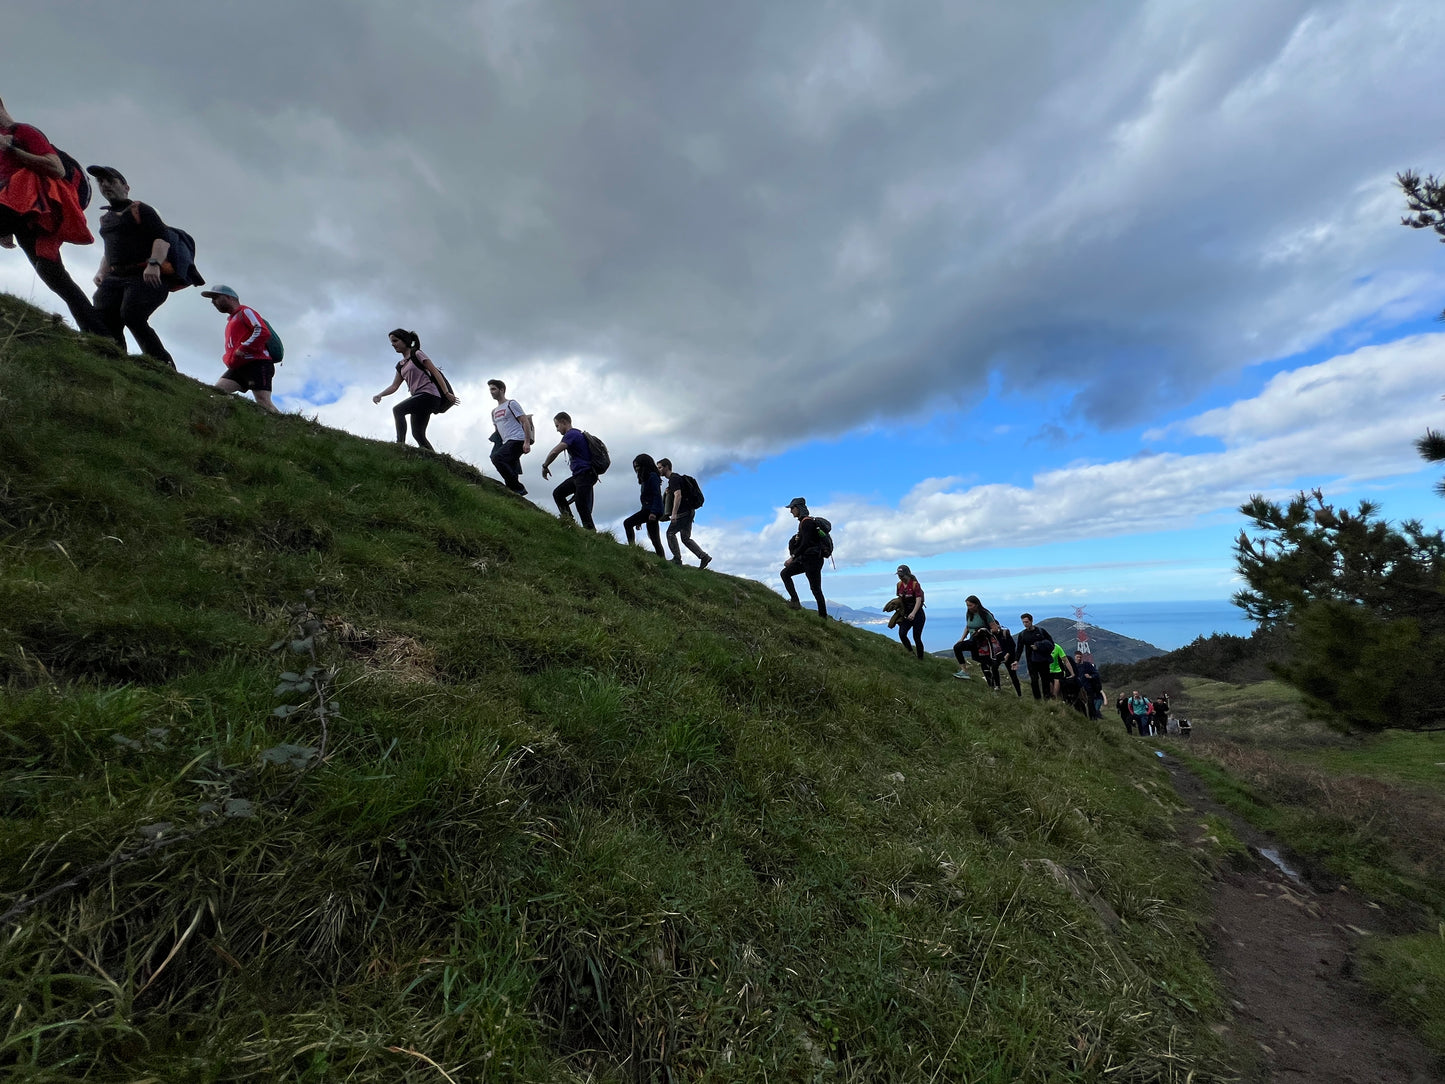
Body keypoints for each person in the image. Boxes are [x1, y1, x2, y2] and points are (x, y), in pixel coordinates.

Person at [0, 97, 102, 334]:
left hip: (30, 208)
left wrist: (12, 148)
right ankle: (101, 334)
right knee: (52, 275)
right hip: (25, 216)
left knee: (54, 276)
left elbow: (56, 167)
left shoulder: (24, 131)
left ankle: (99, 333)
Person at [87, 166, 177, 367]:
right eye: (100, 182)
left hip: (145, 275)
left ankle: (162, 364)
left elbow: (162, 240)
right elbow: (110, 249)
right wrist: (102, 272)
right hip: (116, 276)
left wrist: (154, 264)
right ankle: (115, 358)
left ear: (126, 187)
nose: (105, 185)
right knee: (103, 310)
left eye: (111, 181)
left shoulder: (141, 209)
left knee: (132, 314)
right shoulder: (106, 218)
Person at [372, 329, 454, 451]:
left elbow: (435, 372)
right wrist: (380, 395)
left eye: (395, 341)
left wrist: (446, 393)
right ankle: (435, 461)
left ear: (405, 340)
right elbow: (394, 386)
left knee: (398, 410)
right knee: (418, 434)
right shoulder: (400, 365)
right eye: (391, 343)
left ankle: (400, 446)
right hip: (419, 398)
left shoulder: (417, 354)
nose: (393, 344)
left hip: (429, 395)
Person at [202, 285, 279, 413]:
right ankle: (228, 413)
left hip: (258, 363)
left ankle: (284, 426)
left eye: (216, 297)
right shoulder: (232, 320)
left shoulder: (245, 312)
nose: (213, 302)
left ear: (229, 297)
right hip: (239, 366)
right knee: (217, 391)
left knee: (263, 401)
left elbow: (262, 331)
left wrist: (244, 347)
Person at [541, 412, 596, 529]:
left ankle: (590, 532)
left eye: (557, 426)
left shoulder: (571, 434)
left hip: (585, 474)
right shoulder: (577, 434)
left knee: (581, 504)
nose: (557, 430)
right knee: (558, 493)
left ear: (564, 422)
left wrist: (545, 466)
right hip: (580, 475)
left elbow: (555, 451)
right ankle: (569, 522)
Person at [658, 458, 712, 568]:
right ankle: (704, 557)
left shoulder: (674, 479)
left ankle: (677, 559)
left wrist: (673, 514)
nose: (658, 470)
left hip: (683, 512)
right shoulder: (676, 478)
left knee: (670, 533)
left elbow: (678, 495)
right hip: (690, 511)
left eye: (660, 467)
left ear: (667, 467)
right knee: (685, 538)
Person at [780, 497, 826, 617]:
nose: (791, 511)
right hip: (807, 559)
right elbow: (805, 542)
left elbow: (805, 544)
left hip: (813, 560)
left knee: (815, 589)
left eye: (792, 508)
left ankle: (823, 617)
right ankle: (795, 602)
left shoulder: (806, 523)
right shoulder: (804, 522)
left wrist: (792, 557)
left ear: (798, 508)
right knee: (785, 574)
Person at [488, 379, 533, 494]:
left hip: (518, 439)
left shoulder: (511, 404)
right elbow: (497, 430)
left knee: (497, 458)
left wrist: (527, 442)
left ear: (501, 390)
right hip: (506, 442)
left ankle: (518, 488)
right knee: (510, 466)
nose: (491, 392)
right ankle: (514, 493)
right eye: (490, 389)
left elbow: (524, 421)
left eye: (493, 389)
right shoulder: (493, 412)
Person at [623, 454, 666, 557]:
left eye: (638, 466)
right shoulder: (647, 478)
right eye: (635, 467)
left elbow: (656, 495)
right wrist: (641, 521)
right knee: (655, 538)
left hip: (651, 510)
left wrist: (653, 513)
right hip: (649, 509)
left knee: (627, 523)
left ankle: (632, 549)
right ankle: (662, 560)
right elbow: (646, 499)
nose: (637, 469)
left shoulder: (652, 476)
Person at [951, 595, 1000, 680]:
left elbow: (995, 629)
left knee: (984, 662)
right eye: (967, 605)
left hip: (984, 642)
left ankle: (994, 683)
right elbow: (968, 626)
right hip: (973, 640)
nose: (968, 607)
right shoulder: (969, 614)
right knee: (957, 647)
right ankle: (964, 671)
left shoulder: (985, 614)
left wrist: (984, 630)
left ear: (976, 604)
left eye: (970, 605)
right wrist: (962, 639)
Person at [1014, 613, 1057, 700]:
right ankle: (1037, 699)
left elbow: (1051, 644)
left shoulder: (1041, 631)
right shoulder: (1023, 635)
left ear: (1031, 621)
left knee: (1045, 680)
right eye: (1023, 622)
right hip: (1031, 661)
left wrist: (1039, 646)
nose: (1025, 624)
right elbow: (1019, 649)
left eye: (1027, 622)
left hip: (1043, 660)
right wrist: (1016, 661)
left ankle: (1047, 698)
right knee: (1034, 681)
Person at [894, 565, 926, 659]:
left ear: (907, 574)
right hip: (906, 614)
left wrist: (913, 613)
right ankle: (911, 654)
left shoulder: (915, 584)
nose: (900, 577)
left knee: (917, 638)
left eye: (902, 575)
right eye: (899, 575)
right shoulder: (899, 585)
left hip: (918, 614)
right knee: (902, 634)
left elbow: (918, 600)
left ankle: (920, 659)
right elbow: (900, 598)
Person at [995, 624, 1024, 697]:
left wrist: (1007, 655)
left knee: (1013, 675)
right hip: (999, 655)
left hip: (1009, 656)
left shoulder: (1005, 633)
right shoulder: (992, 635)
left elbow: (1012, 646)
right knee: (994, 668)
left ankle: (1019, 694)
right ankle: (997, 686)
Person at [1074, 652, 1104, 719]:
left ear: (1082, 657)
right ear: (1075, 657)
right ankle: (1084, 717)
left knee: (1090, 704)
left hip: (1088, 688)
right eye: (1077, 657)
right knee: (1080, 704)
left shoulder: (1087, 665)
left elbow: (1096, 674)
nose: (1079, 658)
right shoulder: (1073, 666)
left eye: (1080, 657)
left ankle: (1092, 718)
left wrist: (1090, 676)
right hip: (1078, 689)